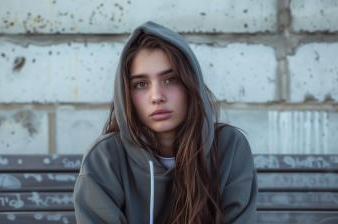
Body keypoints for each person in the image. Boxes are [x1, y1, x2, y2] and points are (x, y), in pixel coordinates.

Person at [74, 21, 258, 224]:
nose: (157, 96)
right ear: (127, 95)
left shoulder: (229, 148)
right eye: (141, 84)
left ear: (191, 83)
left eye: (170, 79)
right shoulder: (105, 159)